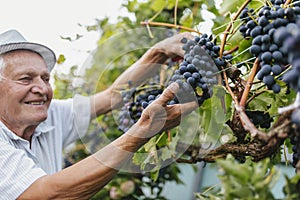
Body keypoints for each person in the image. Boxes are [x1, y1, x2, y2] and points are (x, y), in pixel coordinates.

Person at [0, 29, 197, 199]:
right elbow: (47, 195)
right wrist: (143, 130)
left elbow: (114, 96)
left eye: (45, 78)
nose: (42, 89)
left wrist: (159, 52)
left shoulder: (50, 116)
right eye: (26, 79)